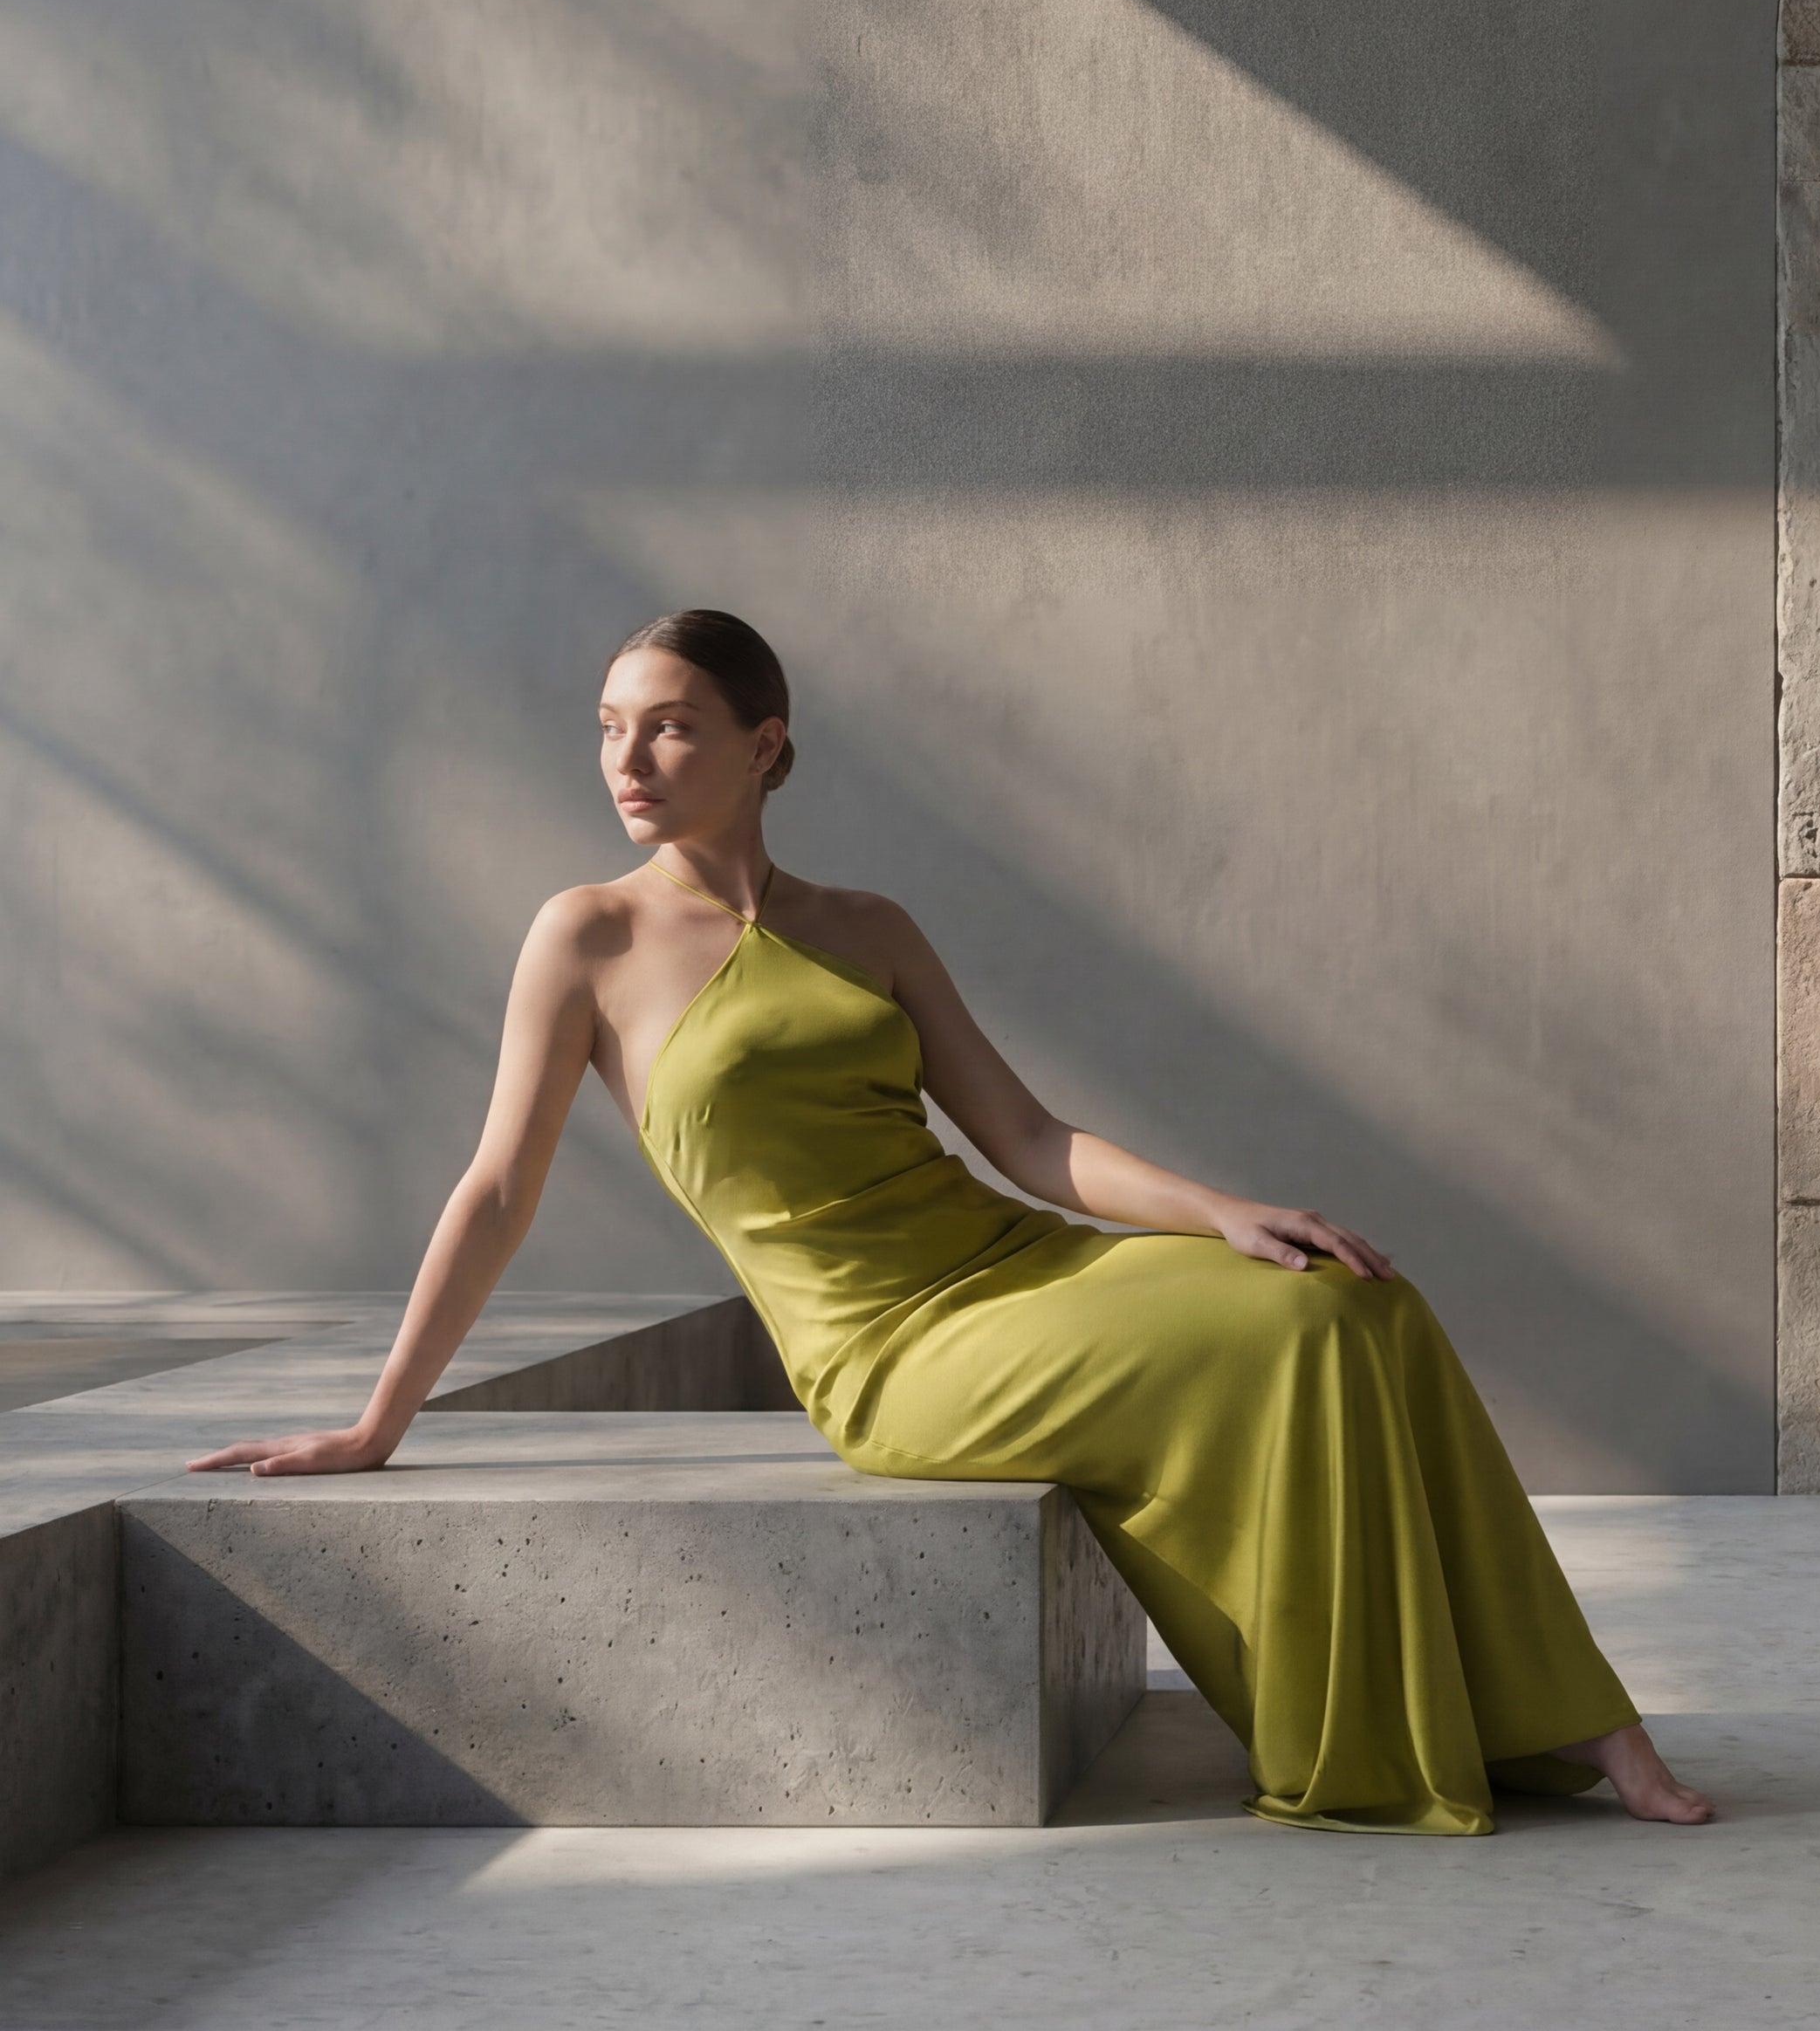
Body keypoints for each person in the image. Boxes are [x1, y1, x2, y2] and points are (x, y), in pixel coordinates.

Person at [188, 609, 1713, 1835]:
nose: (628, 756)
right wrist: (378, 1422)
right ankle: (1422, 1726)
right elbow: (497, 1187)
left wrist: (1223, 1210)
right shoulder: (585, 933)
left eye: (669, 722)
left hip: (1013, 1266)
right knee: (1304, 1337)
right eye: (610, 725)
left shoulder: (868, 928)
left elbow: (1033, 1143)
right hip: (887, 1352)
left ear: (762, 744)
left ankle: (1577, 1718)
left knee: (1352, 1297)